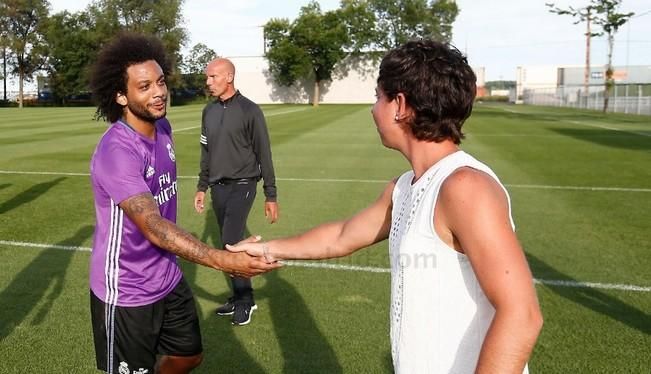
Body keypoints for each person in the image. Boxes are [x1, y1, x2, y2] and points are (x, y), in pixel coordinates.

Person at [228, 40, 543, 373]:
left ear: (401, 106)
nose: (373, 108)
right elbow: (341, 236)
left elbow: (521, 315)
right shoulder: (403, 186)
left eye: (378, 96)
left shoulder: (465, 187)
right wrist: (263, 250)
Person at [88, 33, 280, 374]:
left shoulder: (162, 127)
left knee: (189, 355)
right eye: (144, 86)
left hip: (166, 276)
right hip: (127, 289)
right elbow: (154, 226)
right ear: (121, 95)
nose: (159, 92)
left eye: (160, 82)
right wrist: (223, 260)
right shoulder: (117, 151)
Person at [194, 58, 279, 326]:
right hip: (217, 187)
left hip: (244, 184)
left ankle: (246, 300)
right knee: (227, 242)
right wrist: (201, 186)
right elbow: (206, 153)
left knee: (231, 241)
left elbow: (264, 153)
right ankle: (237, 295)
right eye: (207, 77)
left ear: (229, 77)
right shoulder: (208, 111)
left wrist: (271, 194)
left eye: (213, 77)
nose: (208, 82)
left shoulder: (250, 110)